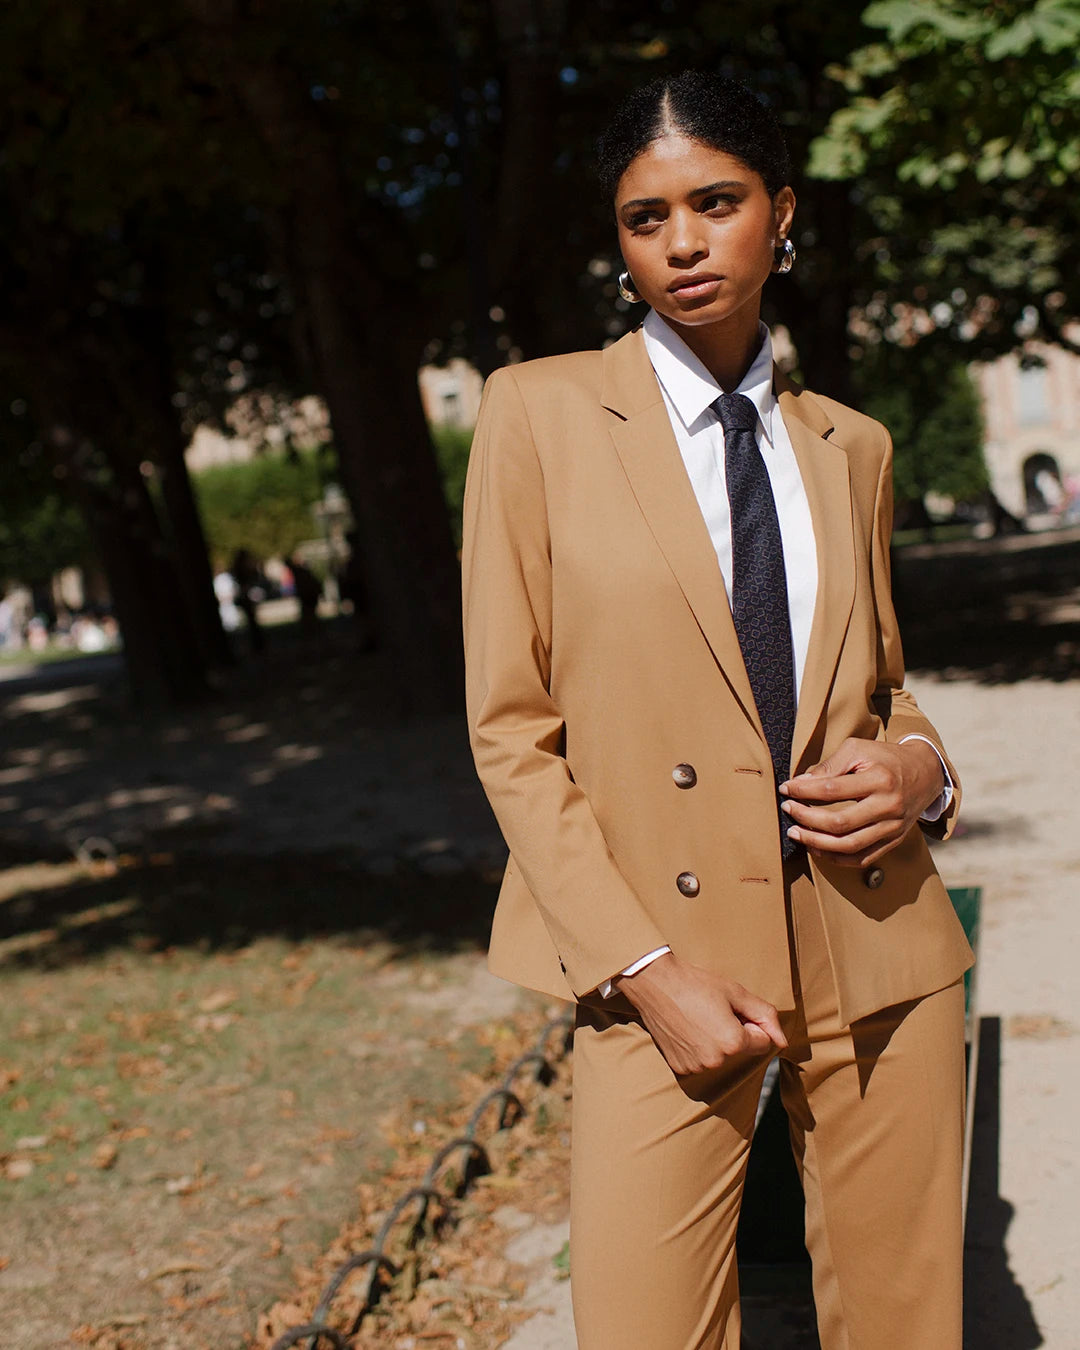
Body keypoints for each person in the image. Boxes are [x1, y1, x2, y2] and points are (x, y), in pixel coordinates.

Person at [462, 72, 973, 1350]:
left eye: (717, 202)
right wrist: (644, 972)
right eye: (646, 218)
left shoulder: (852, 446)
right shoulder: (537, 414)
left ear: (780, 213)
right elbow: (511, 730)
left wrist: (920, 775)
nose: (683, 242)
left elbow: (886, 689)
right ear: (619, 241)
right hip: (665, 960)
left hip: (878, 935)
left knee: (906, 1326)